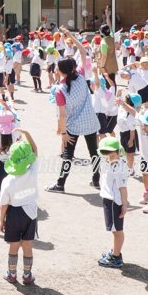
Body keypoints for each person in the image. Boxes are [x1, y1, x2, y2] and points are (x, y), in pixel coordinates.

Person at [47, 28, 101, 192]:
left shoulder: (59, 90)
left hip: (73, 126)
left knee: (67, 156)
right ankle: (97, 180)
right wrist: (71, 36)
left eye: (57, 68)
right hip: (91, 121)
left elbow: (62, 115)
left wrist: (63, 133)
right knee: (94, 153)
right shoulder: (80, 75)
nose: (56, 70)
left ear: (62, 71)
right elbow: (84, 52)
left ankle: (60, 184)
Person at [0, 130, 39, 285]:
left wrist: (1, 220)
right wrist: (27, 133)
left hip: (14, 213)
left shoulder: (8, 181)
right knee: (27, 245)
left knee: (14, 245)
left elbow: (4, 204)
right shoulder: (32, 171)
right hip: (31, 211)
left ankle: (12, 274)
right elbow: (35, 150)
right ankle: (27, 275)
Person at [97, 136, 129, 268]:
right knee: (114, 229)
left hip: (114, 201)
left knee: (117, 230)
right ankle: (115, 251)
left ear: (117, 151)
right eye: (104, 152)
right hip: (108, 199)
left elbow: (123, 187)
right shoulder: (108, 160)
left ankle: (116, 257)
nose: (106, 155)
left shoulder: (119, 167)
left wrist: (124, 204)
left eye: (108, 152)